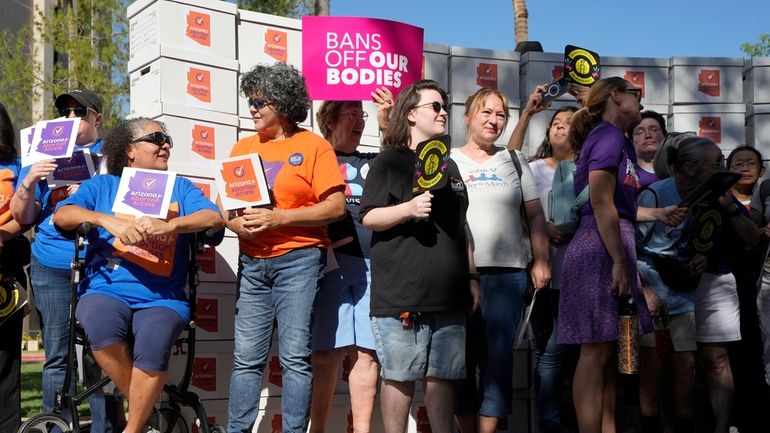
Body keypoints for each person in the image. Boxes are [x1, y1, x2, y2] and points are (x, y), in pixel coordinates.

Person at [51, 117, 224, 433]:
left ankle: (133, 429)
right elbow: (63, 216)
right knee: (99, 322)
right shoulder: (104, 186)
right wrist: (106, 220)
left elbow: (213, 217)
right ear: (129, 150)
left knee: (155, 341)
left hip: (163, 298)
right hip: (107, 290)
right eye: (156, 138)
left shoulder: (180, 187)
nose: (166, 144)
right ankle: (145, 409)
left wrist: (170, 225)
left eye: (167, 139)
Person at [225, 62, 346, 433]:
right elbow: (226, 209)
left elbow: (336, 206)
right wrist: (235, 224)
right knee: (246, 359)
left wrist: (280, 219)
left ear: (284, 102)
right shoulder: (242, 147)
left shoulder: (313, 145)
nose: (253, 108)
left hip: (299, 260)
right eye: (250, 100)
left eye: (260, 100)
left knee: (294, 358)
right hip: (253, 262)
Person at [360, 79, 479, 433]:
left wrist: (472, 279)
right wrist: (408, 209)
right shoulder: (389, 161)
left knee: (443, 379)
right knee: (399, 378)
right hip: (402, 296)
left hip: (450, 296)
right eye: (435, 107)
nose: (443, 112)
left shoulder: (451, 167)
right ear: (411, 114)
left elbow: (463, 228)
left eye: (445, 107)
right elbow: (369, 217)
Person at [10, 88, 125, 433]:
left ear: (97, 119)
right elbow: (23, 216)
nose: (70, 118)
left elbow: (127, 210)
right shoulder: (41, 154)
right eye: (65, 111)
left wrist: (90, 193)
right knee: (57, 356)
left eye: (79, 112)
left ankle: (105, 427)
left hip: (98, 264)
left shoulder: (113, 157)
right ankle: (55, 426)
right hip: (50, 263)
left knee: (100, 352)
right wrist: (29, 181)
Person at [451, 88, 550, 433]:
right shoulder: (447, 160)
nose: (494, 121)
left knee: (498, 363)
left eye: (501, 115)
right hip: (458, 275)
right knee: (459, 362)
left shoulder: (514, 160)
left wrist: (541, 259)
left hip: (508, 275)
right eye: (486, 113)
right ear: (467, 116)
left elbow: (535, 216)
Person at [557, 77, 652, 433]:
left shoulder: (620, 141)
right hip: (600, 248)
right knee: (594, 351)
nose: (642, 100)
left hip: (613, 243)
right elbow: (600, 201)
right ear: (616, 96)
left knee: (612, 350)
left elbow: (625, 204)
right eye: (636, 94)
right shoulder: (608, 136)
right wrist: (618, 261)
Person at [309, 91, 391, 433]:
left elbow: (401, 164)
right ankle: (318, 429)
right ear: (329, 119)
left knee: (366, 355)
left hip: (372, 265)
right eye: (351, 113)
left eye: (363, 114)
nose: (359, 120)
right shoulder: (313, 157)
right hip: (329, 264)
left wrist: (387, 121)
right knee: (327, 354)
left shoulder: (372, 159)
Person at [509, 91, 580, 433]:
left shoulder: (589, 171)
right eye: (555, 123)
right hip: (546, 278)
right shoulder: (533, 168)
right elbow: (508, 162)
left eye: (568, 123)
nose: (559, 128)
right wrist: (541, 226)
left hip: (582, 278)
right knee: (549, 355)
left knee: (583, 359)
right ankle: (550, 426)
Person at [725, 146, 770, 433]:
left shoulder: (764, 193)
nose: (744, 167)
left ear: (762, 169)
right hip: (733, 285)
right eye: (737, 162)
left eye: (750, 162)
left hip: (757, 282)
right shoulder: (721, 199)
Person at [0, 101, 31, 433]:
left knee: (6, 360)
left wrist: (2, 236)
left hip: (5, 267)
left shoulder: (18, 166)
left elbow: (25, 217)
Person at [631, 111, 667, 188]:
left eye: (654, 130)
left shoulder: (676, 170)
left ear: (664, 134)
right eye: (640, 132)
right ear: (631, 139)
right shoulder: (627, 174)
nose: (648, 135)